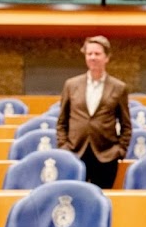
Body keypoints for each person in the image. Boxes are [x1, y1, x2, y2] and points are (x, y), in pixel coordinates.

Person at [55, 36, 132, 188]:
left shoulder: (119, 87)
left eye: (97, 54)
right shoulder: (71, 85)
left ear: (107, 57)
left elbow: (126, 125)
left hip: (106, 155)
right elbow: (62, 121)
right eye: (89, 54)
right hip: (75, 153)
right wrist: (64, 147)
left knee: (102, 199)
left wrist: (120, 150)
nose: (92, 57)